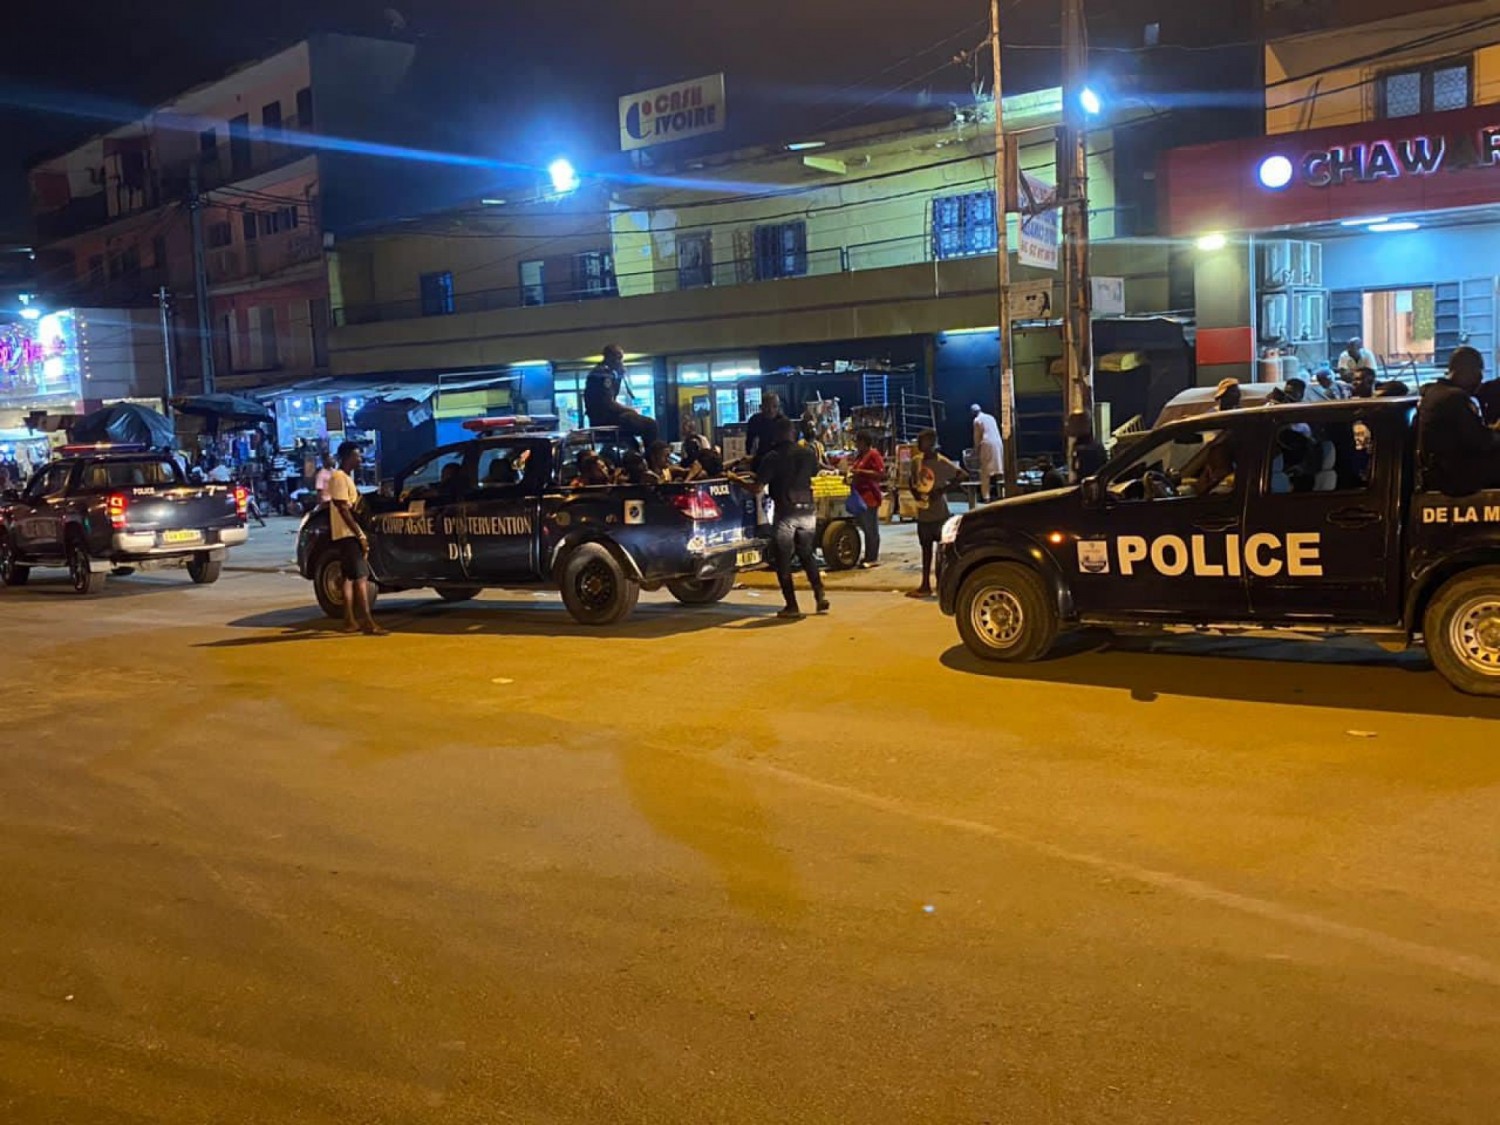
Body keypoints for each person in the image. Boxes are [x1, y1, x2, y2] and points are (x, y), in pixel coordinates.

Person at [757, 416, 828, 620]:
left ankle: (792, 605)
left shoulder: (772, 457)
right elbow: (814, 473)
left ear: (777, 434)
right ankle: (820, 595)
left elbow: (757, 487)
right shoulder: (807, 454)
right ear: (793, 432)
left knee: (783, 560)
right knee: (806, 553)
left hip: (786, 513)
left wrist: (735, 479)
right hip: (807, 511)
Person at [1417, 346, 1500, 496]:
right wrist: (1496, 432)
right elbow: (1480, 441)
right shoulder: (1454, 398)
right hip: (1455, 477)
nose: (1480, 379)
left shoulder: (1435, 392)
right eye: (1478, 373)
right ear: (1465, 371)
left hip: (1442, 471)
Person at [327, 441, 386, 636]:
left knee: (349, 578)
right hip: (348, 535)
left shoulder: (345, 478)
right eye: (357, 456)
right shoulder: (339, 478)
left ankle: (350, 620)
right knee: (361, 578)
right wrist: (359, 534)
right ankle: (367, 621)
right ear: (347, 457)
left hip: (347, 534)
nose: (360, 459)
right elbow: (343, 509)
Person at [908, 428, 963, 599]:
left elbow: (962, 475)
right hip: (923, 512)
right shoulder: (916, 461)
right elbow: (912, 480)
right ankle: (925, 584)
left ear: (932, 443)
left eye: (923, 441)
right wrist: (915, 493)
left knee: (941, 553)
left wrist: (941, 491)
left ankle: (940, 585)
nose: (920, 445)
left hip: (939, 514)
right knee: (925, 550)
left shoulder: (941, 462)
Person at [584, 344, 658, 448]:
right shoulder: (603, 373)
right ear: (610, 357)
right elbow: (608, 403)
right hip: (604, 418)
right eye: (618, 357)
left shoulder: (604, 372)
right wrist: (630, 410)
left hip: (601, 418)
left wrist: (619, 376)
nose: (620, 361)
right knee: (650, 425)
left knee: (632, 443)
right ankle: (653, 455)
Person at [847, 429, 885, 569]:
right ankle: (868, 555)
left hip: (870, 496)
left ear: (864, 442)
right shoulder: (860, 456)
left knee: (871, 529)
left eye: (858, 442)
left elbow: (880, 474)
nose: (856, 445)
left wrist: (861, 472)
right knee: (865, 527)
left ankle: (872, 557)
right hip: (860, 497)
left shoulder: (873, 454)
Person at [971, 403, 1003, 502]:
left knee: (985, 472)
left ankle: (986, 497)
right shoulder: (991, 417)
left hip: (987, 444)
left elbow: (977, 437)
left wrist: (975, 450)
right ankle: (1002, 494)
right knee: (999, 470)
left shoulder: (977, 420)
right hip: (998, 443)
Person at [745, 392, 785, 471]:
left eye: (775, 406)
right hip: (759, 462)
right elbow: (749, 443)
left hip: (779, 463)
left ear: (779, 407)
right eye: (767, 406)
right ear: (761, 407)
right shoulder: (755, 420)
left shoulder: (783, 422)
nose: (771, 410)